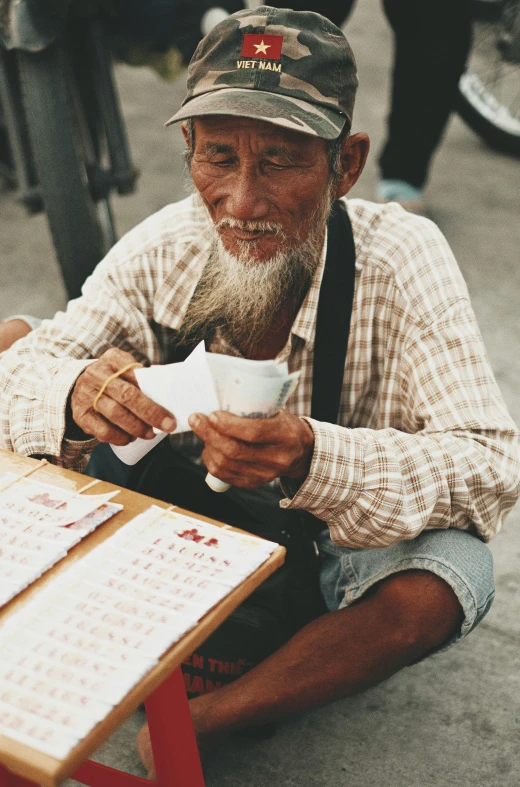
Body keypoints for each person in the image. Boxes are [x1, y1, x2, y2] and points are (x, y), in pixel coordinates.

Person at [0, 5, 518, 778]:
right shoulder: (171, 241)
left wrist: (314, 456)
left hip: (323, 567)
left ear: (345, 167)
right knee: (14, 343)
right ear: (189, 152)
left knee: (452, 571)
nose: (241, 203)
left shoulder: (402, 255)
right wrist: (76, 391)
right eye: (218, 159)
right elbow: (33, 364)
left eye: (279, 161)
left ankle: (204, 719)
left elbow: (487, 465)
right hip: (172, 526)